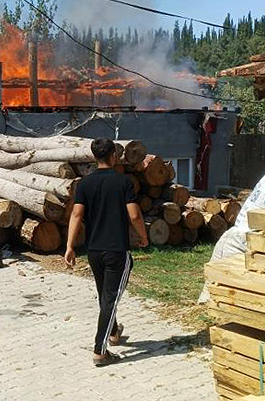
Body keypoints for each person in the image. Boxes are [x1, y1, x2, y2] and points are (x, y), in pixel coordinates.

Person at [64, 137, 148, 366]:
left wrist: (70, 246)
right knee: (110, 299)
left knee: (105, 295)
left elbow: (76, 215)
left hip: (93, 250)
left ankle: (113, 333)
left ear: (94, 157)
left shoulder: (84, 184)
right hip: (117, 251)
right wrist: (143, 235)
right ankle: (100, 350)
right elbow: (134, 215)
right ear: (113, 155)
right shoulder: (123, 183)